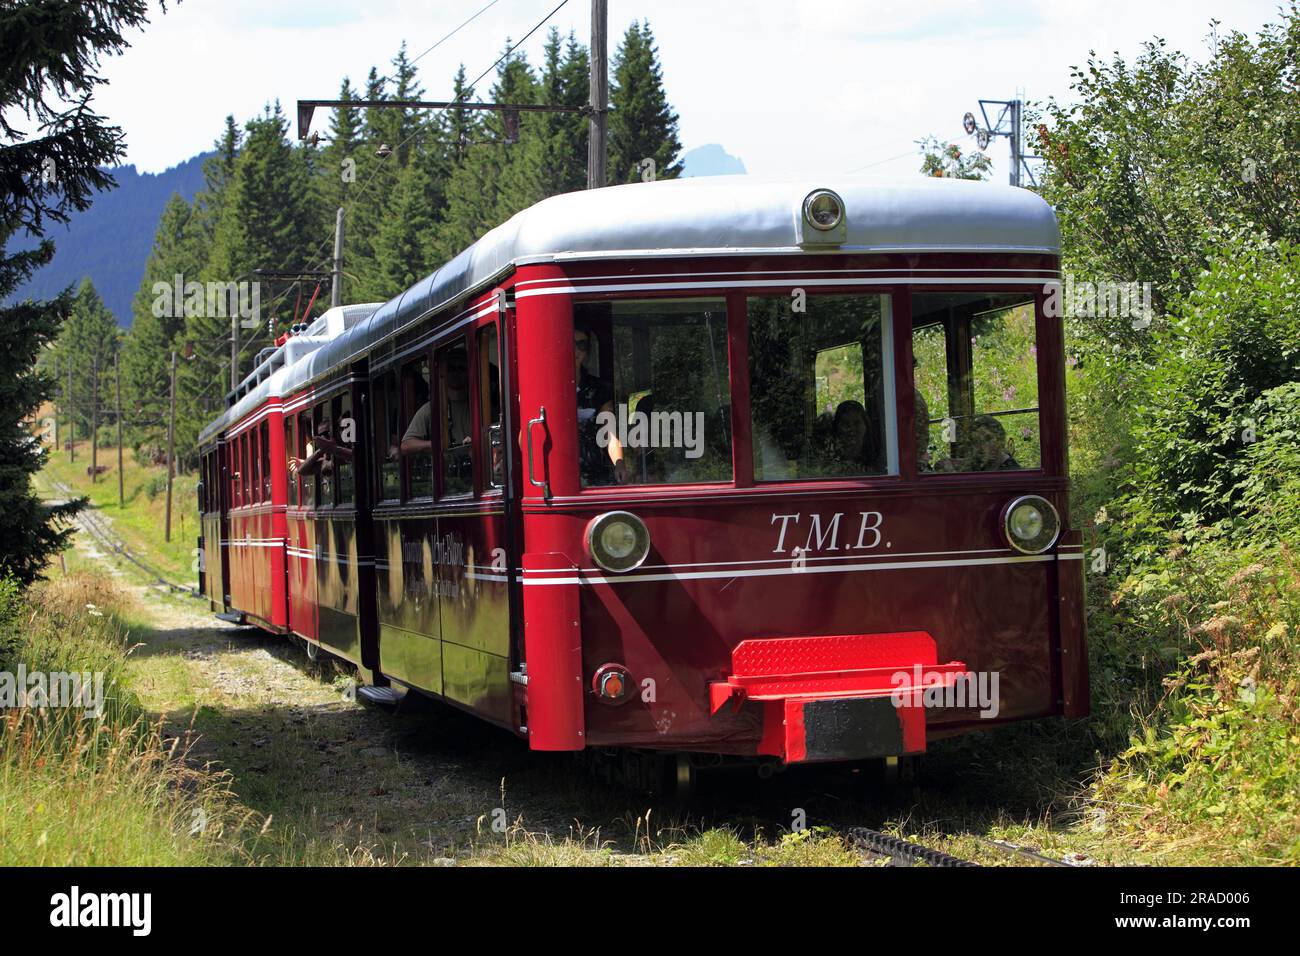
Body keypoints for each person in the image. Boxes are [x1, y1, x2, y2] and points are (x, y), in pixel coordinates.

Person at [574, 327, 626, 485]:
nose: (575, 349)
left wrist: (619, 463)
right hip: (560, 474)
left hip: (596, 474)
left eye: (581, 344)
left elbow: (609, 433)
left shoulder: (599, 389)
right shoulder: (545, 388)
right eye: (569, 343)